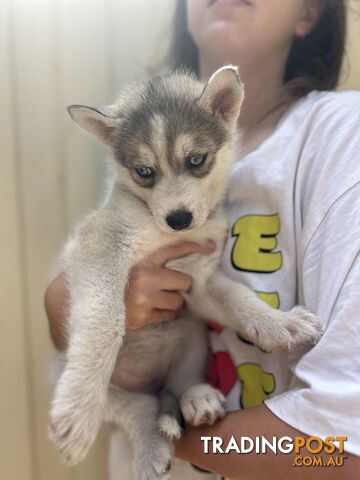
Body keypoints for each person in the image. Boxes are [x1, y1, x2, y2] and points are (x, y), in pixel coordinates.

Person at [45, 0, 360, 478]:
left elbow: (342, 451)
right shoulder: (135, 165)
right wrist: (58, 309)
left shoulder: (340, 137)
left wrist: (175, 432)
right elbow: (95, 305)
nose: (171, 202)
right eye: (148, 173)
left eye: (195, 162)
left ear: (310, 13)